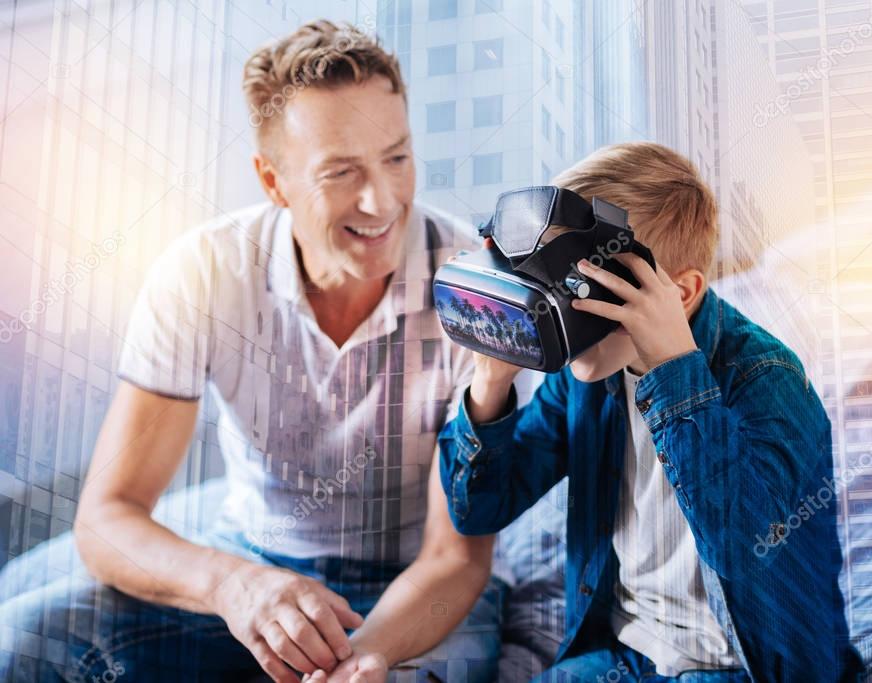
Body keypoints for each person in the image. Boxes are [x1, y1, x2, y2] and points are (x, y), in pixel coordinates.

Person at [0, 20, 500, 683]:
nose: (382, 200)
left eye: (397, 157)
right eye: (340, 171)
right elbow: (106, 518)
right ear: (273, 180)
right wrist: (238, 588)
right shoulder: (202, 272)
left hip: (417, 594)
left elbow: (455, 559)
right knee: (27, 638)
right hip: (255, 565)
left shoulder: (470, 283)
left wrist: (356, 659)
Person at [437, 142, 865, 682]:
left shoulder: (767, 379)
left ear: (680, 294)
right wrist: (491, 382)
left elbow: (745, 549)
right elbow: (478, 511)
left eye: (587, 289)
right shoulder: (587, 374)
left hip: (741, 665)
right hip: (624, 655)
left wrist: (673, 369)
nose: (567, 314)